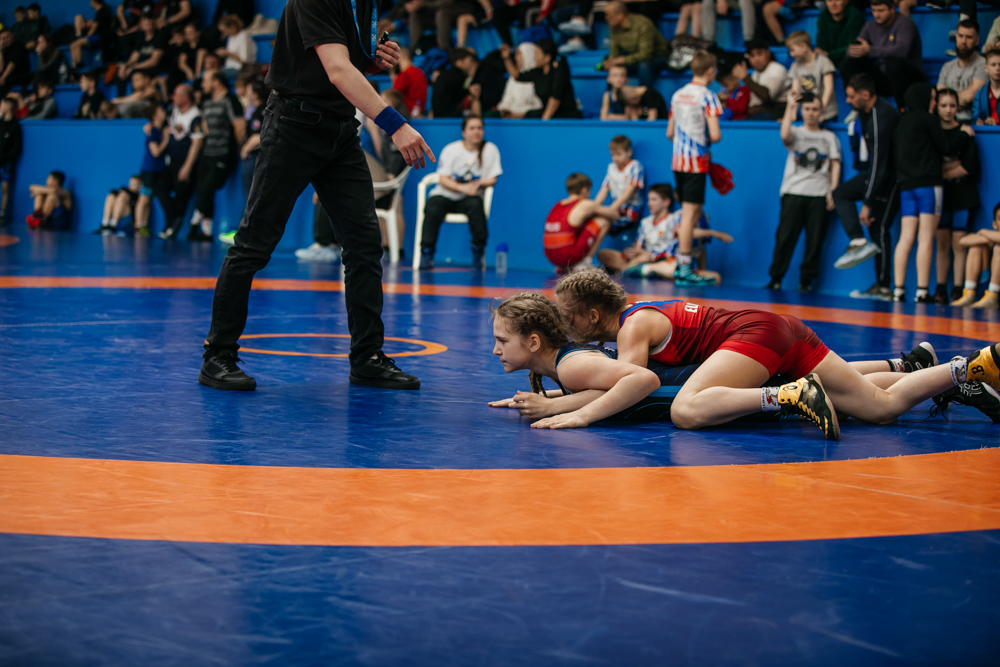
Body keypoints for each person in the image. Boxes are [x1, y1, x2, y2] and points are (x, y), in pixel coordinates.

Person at [199, 0, 436, 392]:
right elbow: (337, 69)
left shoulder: (364, 2)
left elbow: (348, 63)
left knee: (364, 246)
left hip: (339, 131)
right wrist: (395, 123)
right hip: (293, 126)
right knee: (253, 245)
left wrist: (373, 63)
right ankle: (218, 355)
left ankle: (367, 358)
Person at [541, 268, 1000, 433]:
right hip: (777, 329)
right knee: (878, 408)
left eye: (570, 317)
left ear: (595, 314)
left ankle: (790, 395)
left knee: (687, 411)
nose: (567, 326)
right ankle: (969, 370)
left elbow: (632, 385)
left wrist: (570, 408)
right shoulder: (639, 313)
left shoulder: (632, 327)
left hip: (756, 335)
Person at [489, 292, 663, 428]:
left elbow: (645, 379)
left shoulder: (570, 366)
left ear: (534, 342)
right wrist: (544, 397)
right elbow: (604, 389)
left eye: (503, 341)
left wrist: (576, 413)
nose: (495, 350)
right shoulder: (562, 363)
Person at [765, 90, 842, 294]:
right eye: (807, 109)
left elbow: (835, 164)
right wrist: (790, 105)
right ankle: (776, 279)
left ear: (821, 112)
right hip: (793, 192)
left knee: (815, 242)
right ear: (802, 110)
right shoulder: (796, 132)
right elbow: (784, 134)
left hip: (819, 195)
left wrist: (833, 190)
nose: (811, 113)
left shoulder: (829, 137)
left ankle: (806, 282)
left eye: (815, 109)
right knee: (785, 238)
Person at [832, 73, 900, 301]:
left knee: (879, 229)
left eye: (851, 97)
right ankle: (858, 240)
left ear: (866, 94)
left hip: (891, 180)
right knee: (841, 193)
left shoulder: (882, 115)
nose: (848, 101)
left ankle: (884, 287)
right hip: (876, 175)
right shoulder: (865, 113)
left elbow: (881, 164)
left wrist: (867, 203)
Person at [598, 182, 730, 282]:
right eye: (649, 199)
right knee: (604, 254)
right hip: (644, 258)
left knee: (712, 276)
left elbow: (679, 244)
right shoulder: (645, 222)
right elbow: (639, 246)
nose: (650, 203)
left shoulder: (675, 219)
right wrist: (635, 252)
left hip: (665, 260)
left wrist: (650, 256)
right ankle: (634, 269)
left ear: (666, 202)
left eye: (654, 200)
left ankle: (637, 270)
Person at [667, 49, 722, 287]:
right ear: (710, 71)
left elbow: (670, 132)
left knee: (694, 211)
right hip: (696, 162)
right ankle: (684, 267)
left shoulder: (677, 94)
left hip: (678, 161)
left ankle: (684, 261)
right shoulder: (708, 96)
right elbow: (716, 134)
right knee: (689, 215)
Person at [418, 115, 500, 270]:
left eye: (480, 128)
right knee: (433, 206)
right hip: (446, 196)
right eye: (472, 128)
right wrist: (463, 188)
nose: (476, 132)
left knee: (476, 206)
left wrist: (478, 183)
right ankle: (427, 253)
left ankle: (478, 252)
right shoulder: (451, 149)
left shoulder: (490, 150)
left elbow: (493, 179)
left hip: (469, 199)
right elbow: (443, 178)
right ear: (463, 132)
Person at [891, 84, 947, 303]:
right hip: (928, 186)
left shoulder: (900, 122)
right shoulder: (929, 119)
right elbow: (946, 147)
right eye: (933, 99)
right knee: (925, 238)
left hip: (906, 187)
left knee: (905, 238)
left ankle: (898, 290)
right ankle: (922, 291)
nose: (934, 103)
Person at [187, 70, 243, 241]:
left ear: (217, 82)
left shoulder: (230, 101)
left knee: (207, 189)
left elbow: (239, 129)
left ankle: (194, 223)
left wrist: (237, 151)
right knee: (204, 191)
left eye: (205, 81)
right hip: (207, 153)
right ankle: (206, 232)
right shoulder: (206, 102)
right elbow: (204, 129)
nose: (202, 85)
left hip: (223, 154)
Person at [937, 88, 981, 304]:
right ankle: (940, 288)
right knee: (942, 243)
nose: (948, 110)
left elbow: (968, 167)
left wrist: (943, 170)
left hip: (962, 195)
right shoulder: (933, 130)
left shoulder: (965, 132)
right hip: (940, 197)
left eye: (952, 106)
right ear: (937, 106)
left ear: (958, 107)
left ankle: (958, 288)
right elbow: (932, 167)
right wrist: (947, 168)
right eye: (944, 105)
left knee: (959, 243)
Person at [839, 0, 924, 107]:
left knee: (893, 63)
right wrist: (852, 51)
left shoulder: (904, 23)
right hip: (885, 78)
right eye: (873, 10)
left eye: (881, 11)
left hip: (909, 77)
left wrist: (870, 50)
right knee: (848, 64)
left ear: (892, 9)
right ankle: (857, 106)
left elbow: (902, 51)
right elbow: (858, 46)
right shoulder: (870, 26)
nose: (876, 15)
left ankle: (901, 109)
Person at [543, 172, 615, 273]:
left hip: (551, 257)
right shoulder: (585, 204)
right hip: (567, 256)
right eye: (589, 191)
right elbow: (614, 215)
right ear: (584, 190)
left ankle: (564, 267)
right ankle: (584, 264)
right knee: (603, 221)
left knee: (577, 227)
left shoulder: (557, 205)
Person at [157, 84, 203, 239]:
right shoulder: (174, 111)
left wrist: (187, 167)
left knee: (181, 196)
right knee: (160, 188)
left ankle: (174, 227)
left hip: (185, 162)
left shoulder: (196, 116)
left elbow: (197, 143)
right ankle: (171, 221)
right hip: (171, 161)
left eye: (176, 94)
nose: (173, 97)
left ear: (185, 97)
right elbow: (165, 126)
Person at [500, 39, 580, 120]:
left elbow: (555, 98)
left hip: (566, 115)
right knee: (530, 114)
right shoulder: (537, 72)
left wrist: (543, 123)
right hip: (547, 113)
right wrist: (507, 58)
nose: (535, 57)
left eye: (537, 54)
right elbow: (517, 76)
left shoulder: (559, 70)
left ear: (547, 57)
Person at [602, 1, 669, 88]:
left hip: (658, 56)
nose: (606, 18)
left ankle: (645, 97)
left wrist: (622, 60)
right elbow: (615, 53)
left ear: (620, 14)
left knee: (644, 65)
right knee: (614, 68)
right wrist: (611, 62)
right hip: (635, 57)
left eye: (608, 15)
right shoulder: (614, 28)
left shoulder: (642, 24)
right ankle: (610, 98)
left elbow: (646, 54)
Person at [593, 134, 645, 238]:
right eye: (613, 155)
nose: (615, 158)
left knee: (601, 223)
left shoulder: (635, 167)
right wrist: (593, 208)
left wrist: (609, 210)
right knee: (590, 220)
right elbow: (603, 190)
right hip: (615, 210)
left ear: (629, 152)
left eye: (619, 154)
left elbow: (627, 194)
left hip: (629, 212)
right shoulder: (611, 167)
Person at [951, 203, 1000, 309]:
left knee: (998, 248)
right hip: (985, 290)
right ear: (995, 224)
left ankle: (993, 295)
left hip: (996, 293)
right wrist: (991, 238)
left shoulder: (986, 234)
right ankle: (969, 293)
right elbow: (963, 241)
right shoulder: (989, 236)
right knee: (976, 247)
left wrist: (983, 233)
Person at [937, 20, 987, 122]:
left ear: (977, 40)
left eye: (969, 37)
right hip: (948, 123)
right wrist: (957, 100)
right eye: (960, 36)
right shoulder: (947, 67)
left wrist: (948, 102)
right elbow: (939, 98)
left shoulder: (983, 64)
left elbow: (970, 96)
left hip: (971, 121)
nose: (963, 41)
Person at [786, 31, 838, 123]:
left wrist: (821, 111)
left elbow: (829, 88)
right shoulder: (795, 66)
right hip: (809, 115)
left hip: (827, 114)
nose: (791, 54)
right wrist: (792, 115)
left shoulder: (823, 61)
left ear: (804, 47)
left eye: (792, 50)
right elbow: (795, 92)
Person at [134, 104, 169, 237]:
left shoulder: (159, 129)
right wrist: (166, 140)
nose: (164, 111)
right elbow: (155, 152)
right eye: (161, 109)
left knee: (148, 199)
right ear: (155, 115)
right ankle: (138, 227)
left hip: (157, 170)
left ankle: (144, 226)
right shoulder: (152, 131)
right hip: (149, 170)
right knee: (143, 198)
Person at [116, 13, 167, 96]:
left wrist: (134, 67)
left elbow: (154, 61)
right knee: (121, 72)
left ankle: (137, 97)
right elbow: (134, 56)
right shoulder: (141, 36)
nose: (148, 26)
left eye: (150, 23)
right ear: (141, 24)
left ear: (153, 23)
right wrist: (126, 65)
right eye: (146, 24)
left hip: (154, 68)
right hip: (142, 66)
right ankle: (121, 97)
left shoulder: (159, 36)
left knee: (136, 75)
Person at [738, 40, 789, 120]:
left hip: (776, 115)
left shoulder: (777, 69)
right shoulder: (755, 74)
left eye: (759, 53)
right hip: (759, 115)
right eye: (752, 55)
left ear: (768, 53)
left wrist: (745, 78)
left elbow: (767, 95)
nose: (756, 59)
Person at [495, 43, 544, 119]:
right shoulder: (512, 78)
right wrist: (505, 110)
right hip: (511, 112)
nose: (516, 57)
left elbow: (538, 105)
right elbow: (507, 98)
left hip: (529, 115)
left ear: (528, 55)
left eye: (519, 54)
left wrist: (518, 115)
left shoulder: (538, 76)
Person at [815, 0, 864, 69]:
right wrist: (823, 53)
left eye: (837, 0)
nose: (833, 4)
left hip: (848, 60)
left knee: (848, 64)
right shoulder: (823, 16)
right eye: (829, 1)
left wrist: (829, 54)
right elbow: (821, 45)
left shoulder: (855, 16)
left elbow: (851, 48)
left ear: (846, 1)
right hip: (828, 59)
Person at [70, 0, 115, 70]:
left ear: (94, 1)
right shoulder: (99, 12)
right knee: (72, 45)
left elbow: (94, 27)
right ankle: (74, 66)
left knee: (77, 44)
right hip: (95, 35)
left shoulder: (102, 11)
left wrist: (86, 36)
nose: (90, 2)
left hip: (99, 36)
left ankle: (79, 65)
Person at [0, 95, 22, 227]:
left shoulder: (14, 126)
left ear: (9, 107)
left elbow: (16, 148)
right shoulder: (0, 123)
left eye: (2, 104)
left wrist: (3, 158)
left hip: (6, 162)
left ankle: (2, 213)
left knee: (5, 187)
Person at [390, 46, 427, 117]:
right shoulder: (420, 73)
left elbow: (393, 97)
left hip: (406, 114)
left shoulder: (404, 75)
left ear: (402, 56)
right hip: (419, 112)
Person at [215, 15, 255, 80]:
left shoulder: (243, 36)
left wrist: (227, 53)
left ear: (232, 26)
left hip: (241, 69)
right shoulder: (231, 38)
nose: (224, 34)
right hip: (229, 68)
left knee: (214, 74)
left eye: (225, 31)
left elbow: (245, 61)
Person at [971, 50, 1000, 125]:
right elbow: (975, 118)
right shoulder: (980, 93)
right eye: (993, 65)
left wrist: (997, 123)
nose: (997, 68)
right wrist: (981, 122)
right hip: (986, 132)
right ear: (986, 68)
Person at [0, 28, 32, 93]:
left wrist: (3, 77)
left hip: (21, 75)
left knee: (5, 81)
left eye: (7, 37)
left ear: (12, 36)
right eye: (3, 39)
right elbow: (1, 69)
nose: (5, 40)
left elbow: (12, 65)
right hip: (9, 76)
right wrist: (0, 52)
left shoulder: (18, 46)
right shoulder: (4, 49)